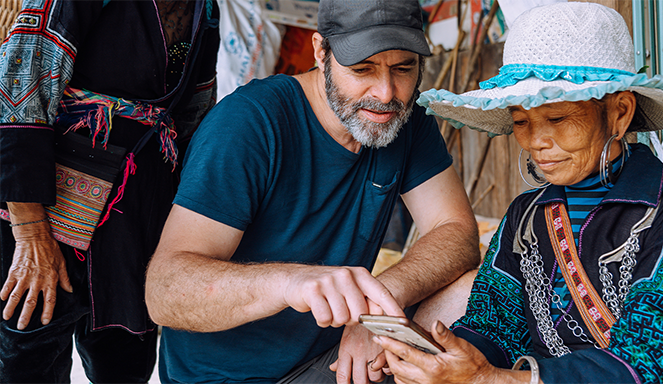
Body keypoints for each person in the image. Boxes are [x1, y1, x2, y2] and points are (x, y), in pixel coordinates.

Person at [374, 3, 663, 383]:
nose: (535, 141)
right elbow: (495, 322)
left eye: (557, 118)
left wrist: (489, 379)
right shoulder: (525, 216)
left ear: (620, 113)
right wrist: (448, 359)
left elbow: (657, 363)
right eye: (520, 121)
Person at [143, 0, 480, 383]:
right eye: (362, 69)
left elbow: (457, 232)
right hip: (226, 377)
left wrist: (382, 303)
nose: (386, 93)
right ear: (321, 52)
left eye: (404, 68)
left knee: (471, 291)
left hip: (331, 358)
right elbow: (164, 291)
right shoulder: (248, 123)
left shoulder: (404, 120)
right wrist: (289, 283)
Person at [0, 0, 220, 382]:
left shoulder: (207, 9)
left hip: (138, 207)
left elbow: (195, 118)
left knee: (125, 357)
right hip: (45, 206)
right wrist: (30, 231)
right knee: (30, 350)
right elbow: (17, 89)